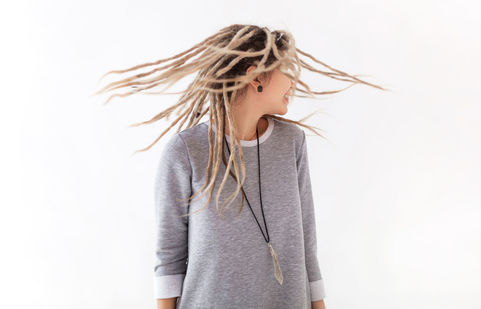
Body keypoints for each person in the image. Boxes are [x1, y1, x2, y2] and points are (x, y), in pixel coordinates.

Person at [95, 24, 386, 309]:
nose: (294, 84)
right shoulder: (186, 152)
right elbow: (169, 256)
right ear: (255, 77)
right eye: (288, 72)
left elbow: (306, 243)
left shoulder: (292, 143)